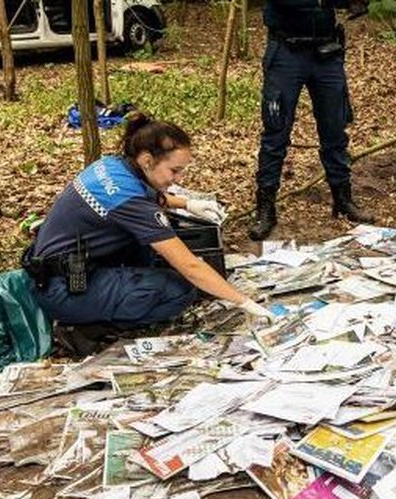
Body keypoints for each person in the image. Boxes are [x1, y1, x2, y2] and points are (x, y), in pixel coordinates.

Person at [23, 114, 268, 340]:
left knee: (148, 248)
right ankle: (90, 329)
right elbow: (189, 265)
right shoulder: (126, 198)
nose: (178, 179)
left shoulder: (112, 166)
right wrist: (244, 302)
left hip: (58, 271)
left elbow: (142, 198)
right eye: (175, 171)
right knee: (180, 290)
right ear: (147, 160)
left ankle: (105, 302)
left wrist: (187, 203)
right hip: (63, 291)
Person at [247, 0, 374, 242]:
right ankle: (265, 209)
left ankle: (343, 200)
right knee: (276, 133)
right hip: (286, 51)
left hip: (326, 51)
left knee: (335, 129)